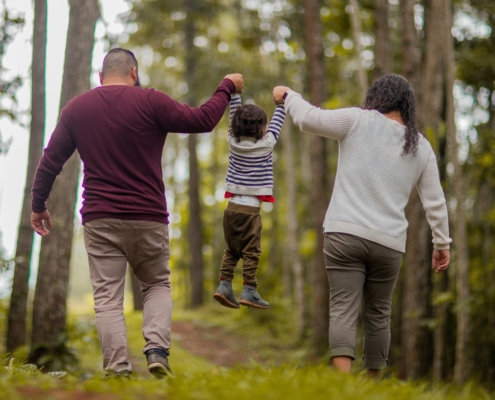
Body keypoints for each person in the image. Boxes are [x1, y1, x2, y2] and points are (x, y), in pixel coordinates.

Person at [30, 48, 243, 378]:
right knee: (157, 284)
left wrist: (38, 205)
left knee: (107, 300)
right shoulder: (151, 100)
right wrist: (226, 86)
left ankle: (117, 370)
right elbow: (203, 120)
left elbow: (51, 161)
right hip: (148, 215)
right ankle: (157, 350)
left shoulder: (77, 108)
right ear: (134, 73)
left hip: (100, 218)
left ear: (101, 77)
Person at [272, 74, 451, 378]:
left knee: (343, 308)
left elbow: (309, 119)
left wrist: (289, 95)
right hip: (389, 244)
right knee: (379, 315)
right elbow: (435, 201)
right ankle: (371, 387)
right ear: (407, 106)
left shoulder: (357, 120)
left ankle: (343, 386)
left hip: (344, 234)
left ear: (376, 97)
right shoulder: (421, 147)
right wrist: (442, 244)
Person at [213, 94, 285, 309]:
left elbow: (232, 116)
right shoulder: (266, 144)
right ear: (262, 128)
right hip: (250, 211)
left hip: (231, 208)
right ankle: (249, 290)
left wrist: (235, 95)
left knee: (231, 250)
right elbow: (278, 122)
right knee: (251, 252)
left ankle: (224, 284)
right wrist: (282, 103)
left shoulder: (232, 142)